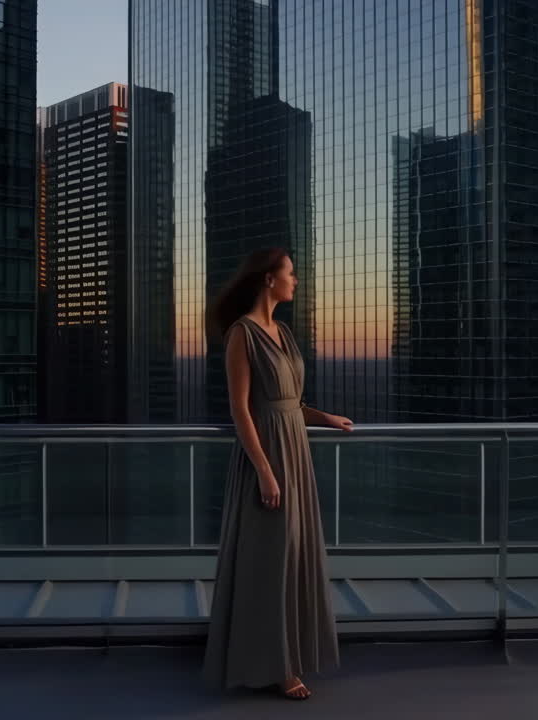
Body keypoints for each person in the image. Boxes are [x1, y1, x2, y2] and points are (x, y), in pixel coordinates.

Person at [201, 247, 354, 701]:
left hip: (296, 454)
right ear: (269, 279)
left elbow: (290, 402)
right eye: (291, 273)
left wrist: (327, 418)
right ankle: (275, 666)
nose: (296, 280)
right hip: (266, 460)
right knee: (269, 562)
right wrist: (265, 472)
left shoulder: (283, 331)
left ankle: (289, 655)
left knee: (294, 557)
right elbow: (241, 411)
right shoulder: (241, 335)